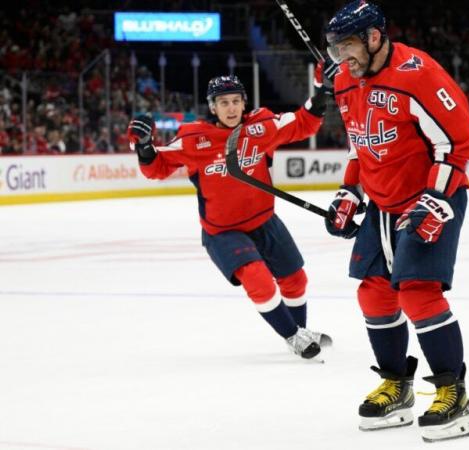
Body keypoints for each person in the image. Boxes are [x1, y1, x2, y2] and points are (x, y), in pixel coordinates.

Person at [322, 1, 469, 442]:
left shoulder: (419, 74)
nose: (341, 59)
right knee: (372, 293)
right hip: (383, 204)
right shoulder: (347, 82)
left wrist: (434, 198)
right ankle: (397, 384)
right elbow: (361, 145)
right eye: (335, 50)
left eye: (347, 46)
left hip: (434, 196)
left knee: (417, 292)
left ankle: (454, 392)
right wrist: (350, 191)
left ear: (374, 37)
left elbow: (458, 142)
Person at [127, 74, 333, 359]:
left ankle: (299, 331)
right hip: (222, 231)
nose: (231, 108)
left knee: (296, 279)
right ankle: (292, 335)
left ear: (244, 103)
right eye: (223, 103)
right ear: (213, 107)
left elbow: (303, 123)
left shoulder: (263, 125)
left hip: (264, 220)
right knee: (258, 279)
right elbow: (157, 168)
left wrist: (322, 93)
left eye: (236, 101)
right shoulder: (192, 138)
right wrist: (145, 146)